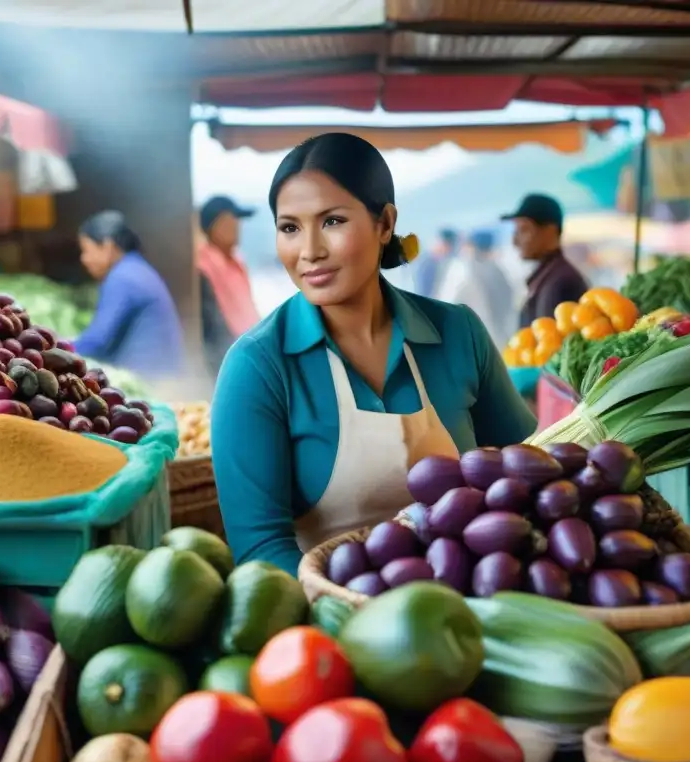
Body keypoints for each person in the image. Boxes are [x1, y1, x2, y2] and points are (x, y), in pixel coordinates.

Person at [211, 133, 536, 574]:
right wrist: (359, 610)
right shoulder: (258, 367)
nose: (309, 251)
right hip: (329, 621)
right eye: (290, 227)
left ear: (385, 224)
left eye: (332, 222)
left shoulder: (458, 334)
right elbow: (261, 547)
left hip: (468, 609)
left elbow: (524, 474)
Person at [73, 210, 186, 379]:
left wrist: (55, 349)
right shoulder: (136, 268)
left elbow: (97, 341)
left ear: (108, 246)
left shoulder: (122, 278)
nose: (84, 259)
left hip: (150, 382)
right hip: (166, 376)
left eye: (87, 250)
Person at [197, 195, 261, 376]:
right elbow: (214, 330)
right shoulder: (203, 269)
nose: (237, 226)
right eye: (230, 220)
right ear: (213, 226)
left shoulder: (237, 263)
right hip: (228, 362)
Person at [502, 193, 588, 328]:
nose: (515, 241)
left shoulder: (562, 281)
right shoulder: (550, 276)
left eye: (524, 230)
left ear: (550, 232)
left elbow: (553, 345)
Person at [436, 229, 516, 347]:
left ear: (471, 246)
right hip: (500, 340)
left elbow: (445, 306)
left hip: (472, 342)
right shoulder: (498, 271)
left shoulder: (462, 271)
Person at [411, 227, 457, 297]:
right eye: (446, 245)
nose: (448, 250)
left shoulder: (442, 263)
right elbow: (423, 290)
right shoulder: (427, 263)